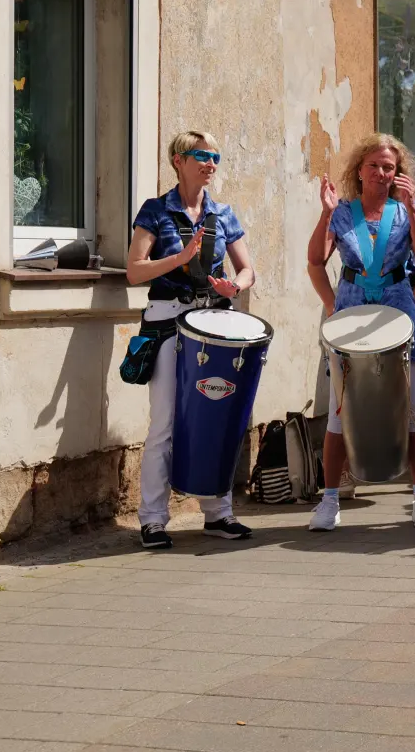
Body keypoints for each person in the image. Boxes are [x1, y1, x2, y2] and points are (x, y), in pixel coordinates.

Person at [125, 131, 258, 549]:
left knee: (216, 416)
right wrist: (179, 259)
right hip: (168, 321)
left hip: (214, 322)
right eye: (202, 155)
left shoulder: (223, 214)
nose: (211, 163)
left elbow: (247, 270)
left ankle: (218, 514)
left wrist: (233, 287)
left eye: (216, 156)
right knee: (165, 422)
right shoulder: (155, 211)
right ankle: (152, 520)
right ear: (179, 160)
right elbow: (134, 270)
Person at [305, 133, 415, 531]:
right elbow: (315, 260)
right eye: (375, 166)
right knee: (340, 412)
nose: (382, 173)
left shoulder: (406, 211)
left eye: (389, 167)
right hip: (352, 316)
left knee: (413, 410)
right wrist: (332, 306)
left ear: (399, 174)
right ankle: (329, 501)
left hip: (397, 315)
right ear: (359, 171)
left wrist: (414, 209)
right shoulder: (343, 212)